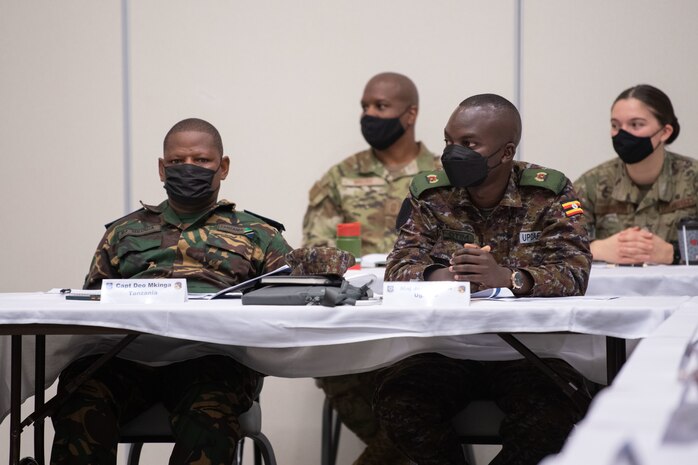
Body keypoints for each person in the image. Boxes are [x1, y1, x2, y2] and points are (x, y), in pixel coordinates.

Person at [50, 118, 292, 465]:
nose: (188, 169)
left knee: (211, 413)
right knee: (80, 391)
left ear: (223, 167)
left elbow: (288, 304)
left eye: (201, 160)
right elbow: (94, 309)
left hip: (212, 361)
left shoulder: (259, 234)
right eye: (177, 162)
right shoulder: (123, 233)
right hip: (126, 358)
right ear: (162, 169)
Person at [373, 94, 594, 465]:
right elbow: (397, 268)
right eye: (448, 142)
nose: (452, 153)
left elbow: (574, 271)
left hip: (527, 351)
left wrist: (508, 278)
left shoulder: (546, 193)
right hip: (449, 348)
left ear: (506, 152)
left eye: (469, 144)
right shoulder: (431, 192)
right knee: (398, 401)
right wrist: (446, 277)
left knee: (558, 406)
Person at [302, 72, 439, 465]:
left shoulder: (443, 176)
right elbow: (316, 252)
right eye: (365, 106)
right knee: (329, 367)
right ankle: (412, 449)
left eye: (381, 107)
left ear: (410, 114)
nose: (369, 114)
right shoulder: (340, 177)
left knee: (430, 391)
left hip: (426, 330)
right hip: (358, 327)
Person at [574, 84, 698, 265]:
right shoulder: (591, 184)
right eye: (615, 125)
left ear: (665, 132)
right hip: (612, 292)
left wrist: (676, 253)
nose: (623, 133)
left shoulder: (693, 178)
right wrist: (597, 249)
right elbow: (553, 246)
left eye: (636, 124)